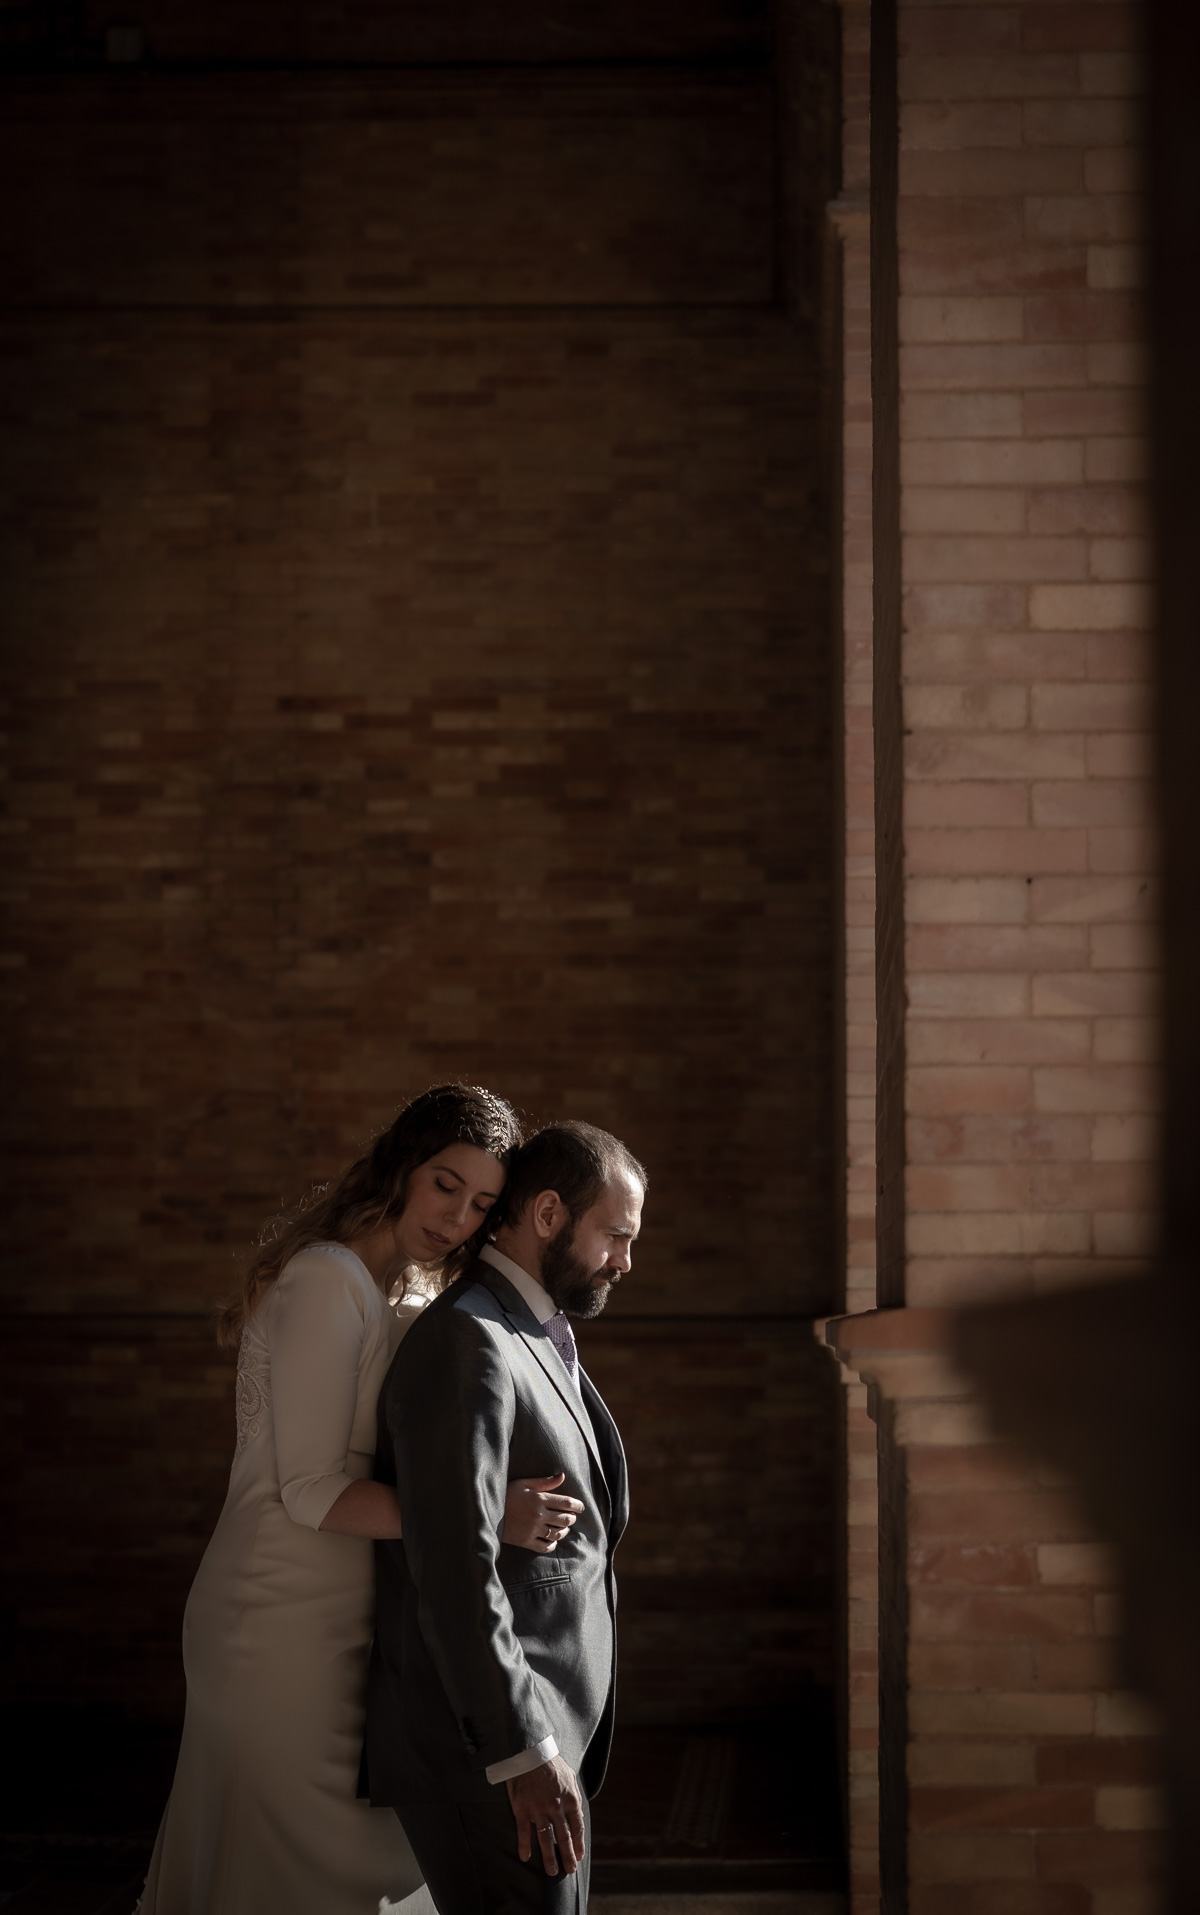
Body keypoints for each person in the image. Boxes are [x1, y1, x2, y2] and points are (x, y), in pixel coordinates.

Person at [137, 1083, 584, 1915]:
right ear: (403, 1164)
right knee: (301, 1863)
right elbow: (308, 1492)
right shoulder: (326, 1279)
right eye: (445, 1183)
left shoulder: (411, 1295)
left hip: (355, 1611)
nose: (456, 1217)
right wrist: (490, 1519)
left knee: (364, 1849)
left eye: (482, 1202)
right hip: (275, 1613)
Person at [363, 1119, 646, 1915]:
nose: (626, 1260)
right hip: (490, 1754)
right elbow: (453, 1566)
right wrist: (523, 1750)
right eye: (616, 1235)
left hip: (544, 1743)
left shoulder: (527, 1327)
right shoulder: (467, 1338)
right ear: (549, 1214)